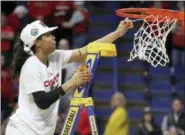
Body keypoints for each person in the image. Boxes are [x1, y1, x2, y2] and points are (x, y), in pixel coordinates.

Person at [5, 18, 133, 135]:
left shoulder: (56, 56)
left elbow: (88, 49)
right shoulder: (31, 66)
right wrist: (71, 82)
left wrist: (117, 33)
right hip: (22, 130)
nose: (53, 37)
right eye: (48, 35)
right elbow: (42, 102)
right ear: (37, 43)